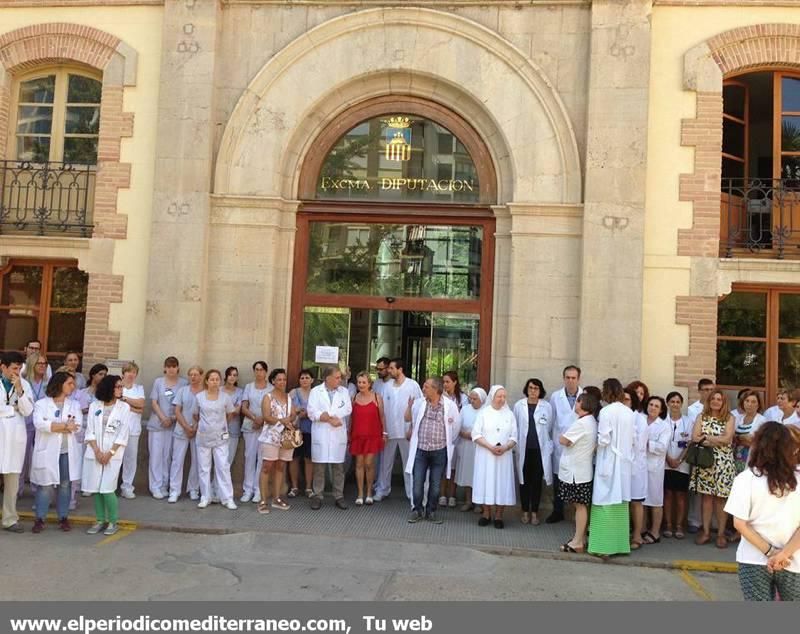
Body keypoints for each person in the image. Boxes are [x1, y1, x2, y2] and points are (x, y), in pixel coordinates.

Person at [725, 422, 800, 601]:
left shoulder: (745, 479)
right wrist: (783, 554)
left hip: (753, 558)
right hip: (794, 559)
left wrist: (770, 553)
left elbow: (739, 524)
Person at [30, 371, 83, 534]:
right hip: (48, 451)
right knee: (45, 486)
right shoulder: (41, 404)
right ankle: (40, 518)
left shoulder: (74, 404)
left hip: (67, 451)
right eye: (69, 383)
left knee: (65, 485)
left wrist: (55, 426)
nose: (73, 386)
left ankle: (63, 517)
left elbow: (77, 425)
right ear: (59, 384)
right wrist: (65, 426)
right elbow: (40, 424)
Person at [588, 378, 635, 557]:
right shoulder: (628, 412)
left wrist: (593, 448)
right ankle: (620, 545)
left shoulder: (606, 411)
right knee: (620, 500)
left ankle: (603, 546)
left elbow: (604, 439)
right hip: (624, 461)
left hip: (609, 459)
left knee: (604, 498)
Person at [406, 376, 461, 524]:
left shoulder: (450, 406)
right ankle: (417, 510)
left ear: (436, 390)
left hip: (439, 451)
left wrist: (445, 442)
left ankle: (431, 511)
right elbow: (412, 422)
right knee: (417, 483)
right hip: (421, 450)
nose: (423, 389)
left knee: (435, 485)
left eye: (426, 386)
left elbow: (455, 428)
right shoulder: (419, 404)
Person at [82, 375, 131, 536]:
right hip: (95, 452)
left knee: (108, 488)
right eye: (117, 386)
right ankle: (100, 520)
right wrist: (97, 452)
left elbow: (123, 434)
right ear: (109, 388)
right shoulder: (95, 405)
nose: (120, 389)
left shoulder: (124, 407)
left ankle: (112, 522)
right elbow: (90, 431)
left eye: (121, 387)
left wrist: (109, 454)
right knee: (96, 488)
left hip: (113, 454)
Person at [690, 388, 736, 549]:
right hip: (705, 462)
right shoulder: (701, 416)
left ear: (724, 402)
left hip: (723, 464)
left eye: (719, 399)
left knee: (720, 499)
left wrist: (707, 437)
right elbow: (695, 437)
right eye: (713, 399)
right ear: (709, 401)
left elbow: (727, 439)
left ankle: (721, 534)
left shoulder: (730, 418)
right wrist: (716, 440)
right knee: (706, 499)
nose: (716, 401)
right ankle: (706, 531)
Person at [374, 359, 422, 503]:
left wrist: (413, 428)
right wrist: (383, 430)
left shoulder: (412, 385)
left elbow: (418, 408)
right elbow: (381, 409)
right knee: (385, 463)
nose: (389, 371)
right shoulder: (386, 386)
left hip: (406, 431)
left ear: (400, 370)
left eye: (392, 368)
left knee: (408, 463)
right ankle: (382, 489)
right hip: (389, 431)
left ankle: (411, 492)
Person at [558, 391, 599, 553]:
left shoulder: (582, 423)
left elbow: (564, 440)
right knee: (580, 506)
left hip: (576, 472)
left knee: (580, 506)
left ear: (583, 404)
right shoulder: (589, 421)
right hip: (580, 469)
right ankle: (580, 537)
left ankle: (577, 542)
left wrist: (562, 436)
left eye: (577, 401)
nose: (575, 404)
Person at [471, 385, 517, 529]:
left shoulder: (510, 415)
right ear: (492, 397)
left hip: (504, 456)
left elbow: (514, 437)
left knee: (501, 484)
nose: (502, 399)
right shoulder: (484, 413)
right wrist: (490, 447)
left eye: (504, 397)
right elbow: (476, 434)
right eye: (499, 396)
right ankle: (486, 513)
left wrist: (505, 447)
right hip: (486, 455)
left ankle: (499, 516)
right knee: (486, 482)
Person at [307, 366, 352, 510]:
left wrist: (331, 416)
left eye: (340, 377)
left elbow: (347, 408)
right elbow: (311, 411)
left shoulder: (343, 392)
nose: (340, 380)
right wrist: (325, 418)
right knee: (319, 467)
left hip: (337, 433)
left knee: (338, 467)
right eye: (337, 377)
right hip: (322, 432)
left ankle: (338, 496)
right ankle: (318, 496)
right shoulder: (315, 392)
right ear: (328, 378)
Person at [0, 351, 34, 533]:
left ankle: (10, 519)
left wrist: (20, 391)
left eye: (20, 368)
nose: (17, 372)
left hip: (15, 437)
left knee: (12, 480)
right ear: (3, 366)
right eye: (14, 368)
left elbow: (28, 411)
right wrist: (12, 410)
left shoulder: (24, 385)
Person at [194, 369, 237, 510]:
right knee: (204, 468)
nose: (214, 382)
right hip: (203, 438)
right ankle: (205, 496)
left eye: (217, 379)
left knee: (223, 467)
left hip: (221, 438)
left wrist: (220, 426)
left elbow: (230, 414)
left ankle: (227, 498)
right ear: (206, 381)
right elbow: (196, 415)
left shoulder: (225, 397)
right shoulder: (199, 397)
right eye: (211, 379)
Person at [513, 378, 553, 526]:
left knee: (537, 482)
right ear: (526, 389)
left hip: (539, 450)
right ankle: (524, 511)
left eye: (536, 388)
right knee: (523, 482)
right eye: (530, 388)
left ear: (540, 390)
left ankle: (535, 513)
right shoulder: (519, 405)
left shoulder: (546, 407)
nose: (533, 391)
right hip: (524, 449)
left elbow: (549, 426)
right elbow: (515, 426)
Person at [146, 357, 186, 499]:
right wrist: (163, 418)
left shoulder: (183, 383)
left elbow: (183, 404)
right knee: (156, 456)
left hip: (174, 425)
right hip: (157, 424)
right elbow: (154, 402)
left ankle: (164, 485)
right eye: (168, 366)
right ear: (164, 368)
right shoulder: (158, 382)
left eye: (174, 366)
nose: (171, 369)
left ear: (178, 368)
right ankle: (155, 486)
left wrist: (173, 418)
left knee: (167, 456)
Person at [258, 368, 297, 513]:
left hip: (285, 437)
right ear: (273, 381)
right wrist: (282, 420)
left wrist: (290, 419)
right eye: (279, 379)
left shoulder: (288, 397)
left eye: (284, 379)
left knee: (281, 466)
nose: (282, 382)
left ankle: (276, 497)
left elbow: (293, 413)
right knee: (267, 466)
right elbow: (266, 416)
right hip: (271, 436)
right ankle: (263, 500)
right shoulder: (267, 397)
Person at [547, 365, 582, 523]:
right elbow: (551, 420)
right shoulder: (556, 396)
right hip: (559, 444)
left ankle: (578, 513)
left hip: (578, 445)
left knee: (577, 480)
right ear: (563, 378)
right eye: (567, 377)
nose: (570, 381)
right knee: (558, 480)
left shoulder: (585, 396)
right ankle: (558, 510)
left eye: (573, 378)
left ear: (578, 379)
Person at [168, 365, 204, 503]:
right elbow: (177, 411)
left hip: (198, 432)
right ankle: (174, 490)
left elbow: (205, 413)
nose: (193, 377)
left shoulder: (205, 393)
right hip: (181, 430)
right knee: (177, 461)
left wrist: (195, 428)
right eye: (191, 374)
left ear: (201, 376)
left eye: (196, 374)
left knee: (197, 461)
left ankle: (193, 489)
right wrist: (186, 427)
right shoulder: (182, 391)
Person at [350, 371, 386, 505]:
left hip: (373, 435)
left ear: (369, 384)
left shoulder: (377, 397)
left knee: (369, 464)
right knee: (359, 464)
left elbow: (382, 416)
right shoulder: (354, 398)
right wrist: (349, 433)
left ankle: (370, 492)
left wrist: (385, 433)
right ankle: (360, 493)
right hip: (358, 435)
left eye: (364, 382)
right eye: (359, 382)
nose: (361, 384)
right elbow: (351, 419)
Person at [240, 361, 272, 504]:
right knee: (249, 457)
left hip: (266, 428)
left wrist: (263, 420)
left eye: (261, 370)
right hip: (250, 426)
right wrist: (254, 418)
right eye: (256, 370)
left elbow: (273, 409)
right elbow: (244, 407)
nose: (259, 372)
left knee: (262, 459)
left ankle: (258, 490)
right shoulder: (248, 387)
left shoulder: (271, 388)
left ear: (266, 372)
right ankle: (247, 490)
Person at [19, 352, 49, 498]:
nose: (43, 366)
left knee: (39, 457)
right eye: (40, 363)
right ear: (32, 365)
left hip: (42, 425)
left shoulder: (48, 383)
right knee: (22, 457)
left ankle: (37, 490)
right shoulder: (24, 382)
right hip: (26, 422)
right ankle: (18, 489)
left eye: (45, 363)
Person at [642, 396, 671, 544]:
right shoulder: (641, 420)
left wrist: (646, 443)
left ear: (661, 410)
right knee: (640, 500)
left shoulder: (664, 426)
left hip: (655, 468)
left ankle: (655, 532)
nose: (652, 407)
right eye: (651, 404)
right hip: (640, 466)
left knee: (655, 500)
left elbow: (662, 447)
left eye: (656, 406)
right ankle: (641, 530)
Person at [663, 391, 692, 539]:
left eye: (677, 402)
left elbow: (689, 444)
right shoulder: (662, 421)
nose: (675, 404)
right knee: (667, 494)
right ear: (667, 403)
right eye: (672, 401)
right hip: (665, 463)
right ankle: (668, 524)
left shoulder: (688, 422)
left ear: (681, 404)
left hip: (682, 463)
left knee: (681, 495)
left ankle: (680, 525)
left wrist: (679, 460)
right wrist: (668, 459)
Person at [455, 387, 486, 512]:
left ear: (482, 399)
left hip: (480, 448)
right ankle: (468, 501)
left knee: (479, 475)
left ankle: (478, 503)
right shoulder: (465, 409)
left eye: (475, 398)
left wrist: (476, 436)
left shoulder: (486, 411)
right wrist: (463, 433)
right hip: (466, 446)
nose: (472, 401)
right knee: (468, 474)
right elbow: (457, 426)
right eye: (471, 398)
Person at [439, 371, 468, 508]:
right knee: (443, 466)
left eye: (448, 382)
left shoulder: (462, 398)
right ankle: (442, 495)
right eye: (443, 382)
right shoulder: (440, 397)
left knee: (453, 467)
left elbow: (463, 416)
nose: (445, 385)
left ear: (455, 382)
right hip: (442, 436)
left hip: (457, 437)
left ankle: (452, 495)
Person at [625, 388, 647, 550]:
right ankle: (623, 534)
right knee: (623, 502)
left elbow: (640, 444)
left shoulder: (639, 419)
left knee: (636, 501)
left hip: (636, 465)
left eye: (627, 399)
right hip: (621, 465)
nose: (624, 402)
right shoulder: (617, 416)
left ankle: (638, 535)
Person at [119, 362, 145, 500]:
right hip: (117, 429)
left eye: (134, 372)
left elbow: (141, 405)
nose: (131, 375)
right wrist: (133, 406)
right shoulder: (117, 387)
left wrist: (124, 400)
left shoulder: (139, 388)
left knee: (130, 458)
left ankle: (127, 486)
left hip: (133, 428)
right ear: (123, 373)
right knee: (115, 457)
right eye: (129, 372)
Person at [288, 369, 314, 498]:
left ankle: (309, 488)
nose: (304, 380)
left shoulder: (316, 393)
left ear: (312, 380)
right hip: (296, 430)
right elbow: (287, 408)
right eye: (302, 378)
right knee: (294, 458)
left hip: (311, 430)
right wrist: (298, 411)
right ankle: (294, 487)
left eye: (307, 377)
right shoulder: (293, 392)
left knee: (309, 459)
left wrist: (308, 414)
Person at [734, 390, 767, 474]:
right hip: (734, 457)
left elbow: (757, 442)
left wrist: (737, 438)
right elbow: (730, 437)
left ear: (758, 404)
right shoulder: (737, 418)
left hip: (751, 458)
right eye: (747, 401)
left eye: (753, 402)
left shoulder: (762, 420)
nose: (749, 404)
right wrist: (741, 438)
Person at [222, 367, 244, 471]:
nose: (232, 377)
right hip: (218, 430)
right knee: (218, 460)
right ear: (226, 376)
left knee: (229, 460)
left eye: (235, 375)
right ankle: (214, 485)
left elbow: (237, 411)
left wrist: (226, 411)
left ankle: (222, 486)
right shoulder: (219, 390)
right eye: (230, 374)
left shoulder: (240, 392)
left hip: (233, 429)